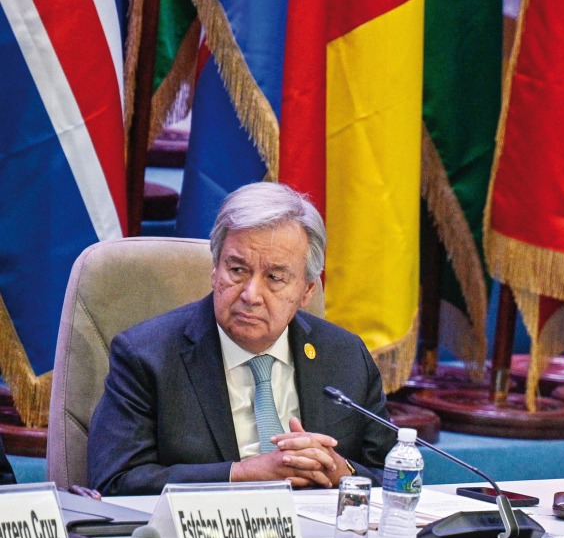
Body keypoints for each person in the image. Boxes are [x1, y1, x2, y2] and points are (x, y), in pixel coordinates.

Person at [88, 182, 397, 496]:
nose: (251, 295)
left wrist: (340, 471)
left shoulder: (345, 355)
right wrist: (242, 473)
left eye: (275, 278)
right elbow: (115, 480)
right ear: (215, 270)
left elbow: (395, 473)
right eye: (237, 270)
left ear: (306, 291)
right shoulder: (148, 356)